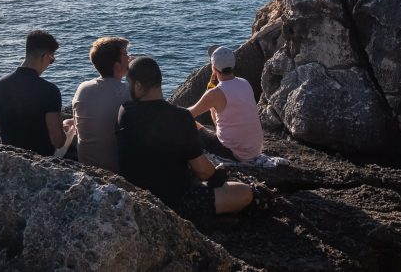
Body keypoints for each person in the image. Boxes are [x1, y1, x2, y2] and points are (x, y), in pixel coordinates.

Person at [117, 56, 253, 217]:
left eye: (129, 83)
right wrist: (217, 175)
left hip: (138, 196)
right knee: (245, 192)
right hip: (177, 201)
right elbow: (203, 171)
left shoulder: (125, 111)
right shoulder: (181, 117)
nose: (128, 87)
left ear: (138, 86)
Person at [0, 30, 66, 155]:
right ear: (45, 56)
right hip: (41, 159)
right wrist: (66, 131)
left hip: (9, 156)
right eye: (51, 60)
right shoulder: (49, 90)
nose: (49, 64)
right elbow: (58, 141)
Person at [188, 46, 264, 162]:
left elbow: (189, 114)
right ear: (233, 66)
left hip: (233, 154)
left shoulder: (215, 93)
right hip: (254, 150)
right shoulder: (245, 83)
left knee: (187, 121)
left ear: (213, 69)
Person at [72, 36, 131, 172]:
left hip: (86, 167)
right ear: (117, 65)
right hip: (117, 171)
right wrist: (133, 74)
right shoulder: (127, 91)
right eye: (125, 55)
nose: (129, 58)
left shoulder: (83, 88)